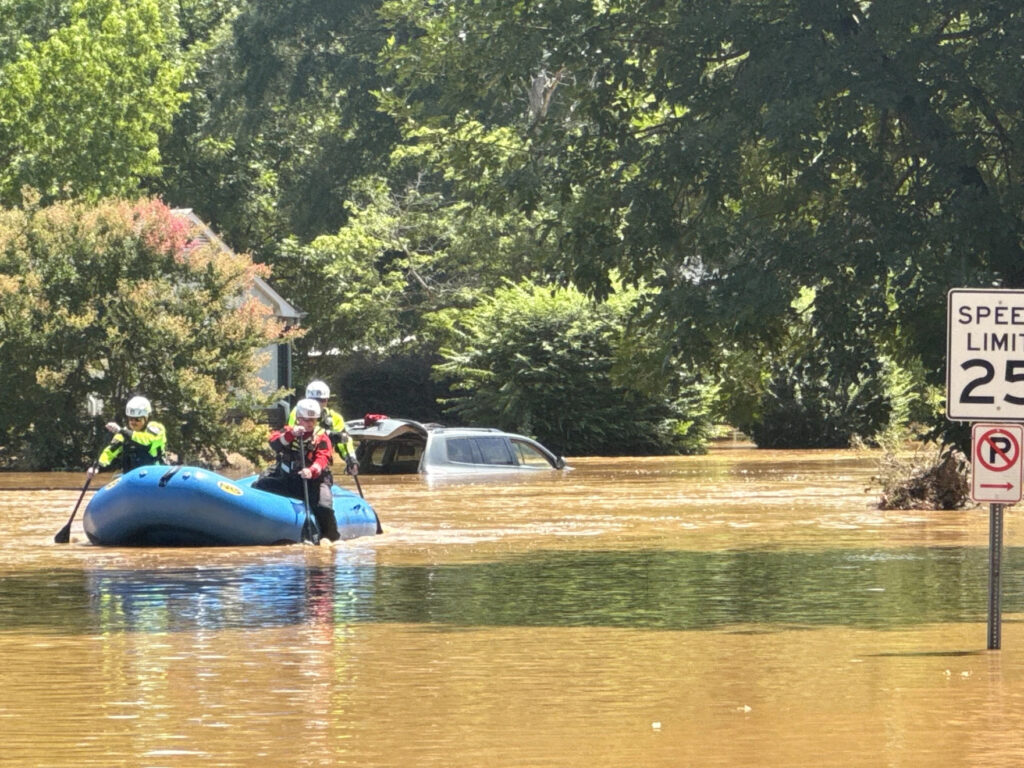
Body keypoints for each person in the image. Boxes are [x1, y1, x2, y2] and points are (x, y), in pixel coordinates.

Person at [256, 397, 339, 541]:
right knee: (261, 485)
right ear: (298, 419)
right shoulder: (288, 431)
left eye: (312, 420)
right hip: (289, 480)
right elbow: (274, 443)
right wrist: (291, 434)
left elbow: (323, 457)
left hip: (313, 482)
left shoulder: (321, 437)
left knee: (324, 506)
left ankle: (331, 537)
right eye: (306, 420)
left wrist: (311, 470)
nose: (309, 423)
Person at [288, 380, 359, 476]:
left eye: (323, 400)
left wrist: (351, 459)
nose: (320, 403)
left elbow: (345, 442)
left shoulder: (335, 418)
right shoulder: (297, 413)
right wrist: (329, 434)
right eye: (316, 400)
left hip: (320, 462)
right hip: (297, 462)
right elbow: (293, 432)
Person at [88, 395, 167, 477]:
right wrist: (97, 467)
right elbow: (110, 451)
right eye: (130, 419)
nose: (133, 422)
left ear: (147, 418)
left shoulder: (156, 428)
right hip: (132, 477)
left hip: (155, 475)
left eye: (138, 419)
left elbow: (145, 442)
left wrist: (122, 431)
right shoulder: (124, 434)